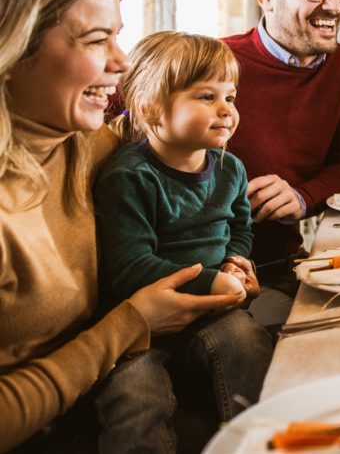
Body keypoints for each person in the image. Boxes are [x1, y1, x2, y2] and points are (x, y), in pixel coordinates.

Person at [0, 0, 240, 452]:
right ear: (12, 49)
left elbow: (171, 116)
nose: (122, 61)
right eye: (95, 40)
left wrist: (237, 259)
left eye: (119, 37)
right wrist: (127, 327)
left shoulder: (81, 142)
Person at [94, 31, 273, 444]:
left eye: (230, 97)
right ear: (151, 107)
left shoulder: (231, 169)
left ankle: (258, 442)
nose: (226, 110)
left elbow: (240, 228)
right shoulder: (130, 176)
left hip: (213, 308)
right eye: (206, 97)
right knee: (135, 394)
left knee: (247, 343)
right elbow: (131, 267)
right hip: (139, 322)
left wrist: (234, 262)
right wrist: (211, 279)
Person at [224, 0, 340, 313]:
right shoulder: (214, 62)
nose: (335, 5)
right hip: (215, 273)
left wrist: (302, 198)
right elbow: (124, 104)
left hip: (281, 265)